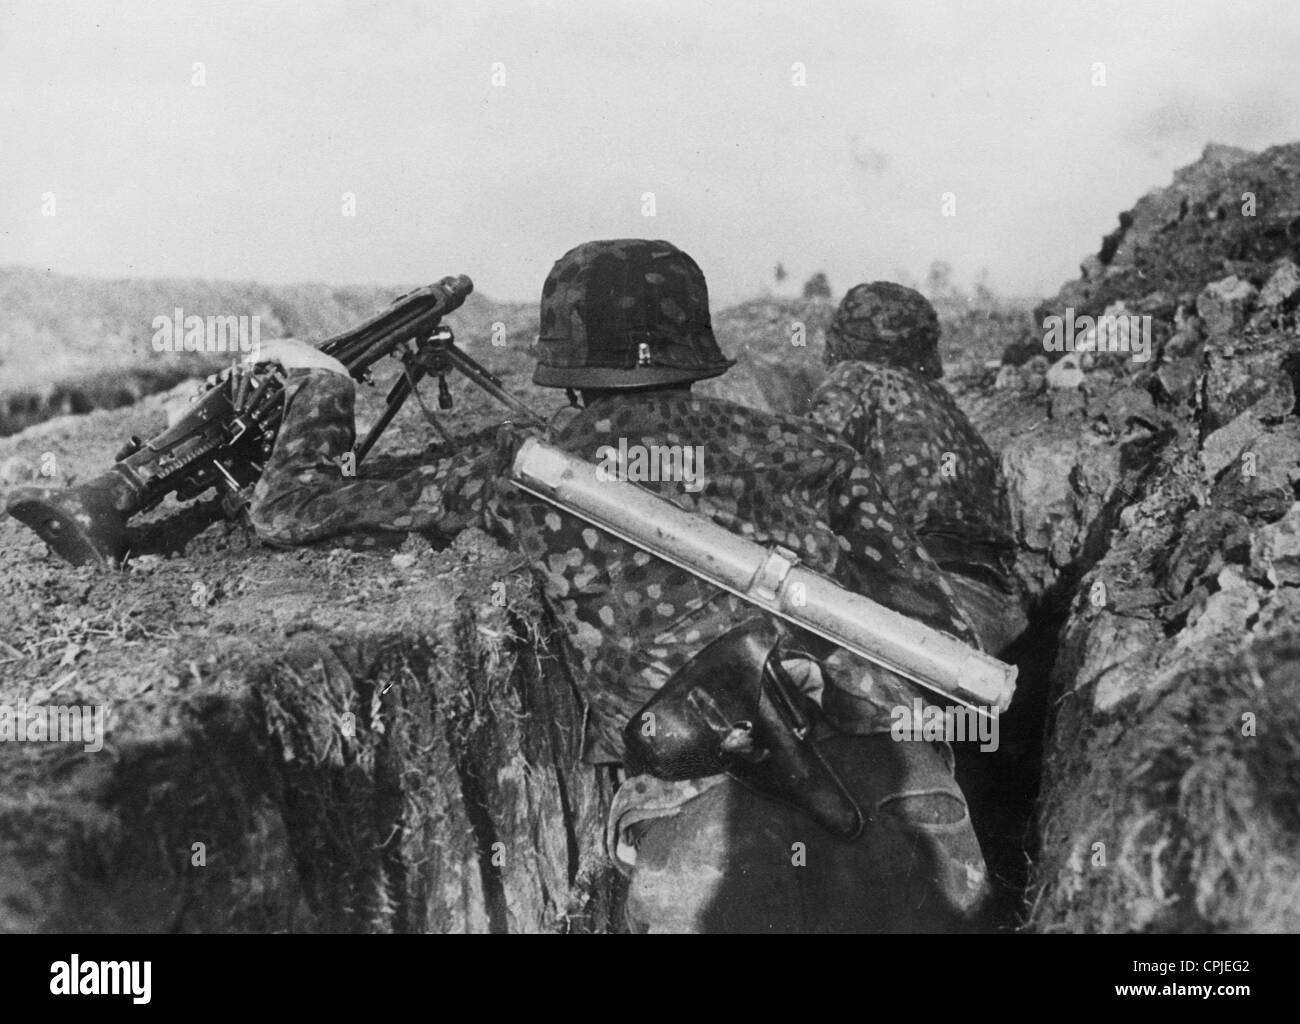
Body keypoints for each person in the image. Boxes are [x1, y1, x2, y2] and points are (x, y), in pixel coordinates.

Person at [246, 240, 993, 932]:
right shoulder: (807, 450)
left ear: (565, 363)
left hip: (705, 838)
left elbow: (290, 508)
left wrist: (321, 385)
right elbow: (942, 632)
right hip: (913, 809)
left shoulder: (526, 470)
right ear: (697, 349)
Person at [808, 282, 1025, 655]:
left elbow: (805, 464)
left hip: (922, 600)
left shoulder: (858, 379)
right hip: (999, 609)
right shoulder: (939, 400)